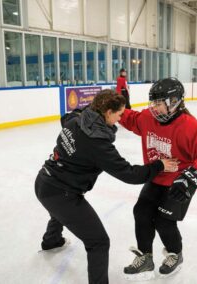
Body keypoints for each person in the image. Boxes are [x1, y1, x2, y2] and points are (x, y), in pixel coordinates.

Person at [35, 89, 177, 284]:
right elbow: (129, 174)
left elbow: (65, 118)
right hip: (61, 194)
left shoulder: (77, 118)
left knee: (59, 211)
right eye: (119, 114)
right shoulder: (98, 145)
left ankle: (52, 241)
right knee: (99, 242)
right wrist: (159, 165)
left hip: (44, 182)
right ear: (108, 112)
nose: (120, 119)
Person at [120, 78, 197, 280]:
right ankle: (145, 257)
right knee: (142, 213)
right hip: (155, 177)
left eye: (158, 102)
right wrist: (105, 109)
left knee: (164, 221)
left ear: (173, 101)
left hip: (178, 184)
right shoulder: (148, 117)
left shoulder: (190, 126)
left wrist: (190, 179)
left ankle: (175, 254)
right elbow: (131, 119)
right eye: (152, 102)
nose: (153, 107)